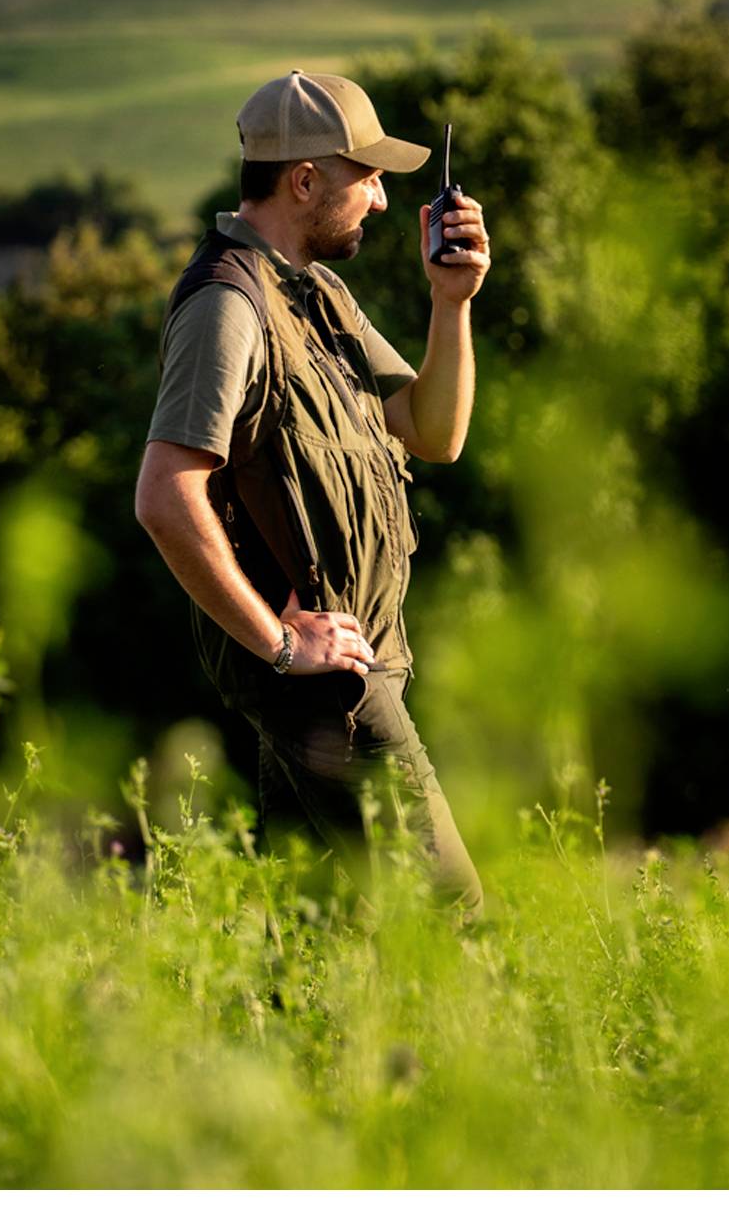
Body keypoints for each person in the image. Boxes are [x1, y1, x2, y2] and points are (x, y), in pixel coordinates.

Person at [134, 68, 490, 925]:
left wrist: (453, 302)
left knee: (324, 931)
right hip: (325, 684)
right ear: (303, 181)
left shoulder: (317, 294)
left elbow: (433, 432)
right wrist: (279, 645)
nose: (377, 201)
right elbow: (163, 494)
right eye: (364, 177)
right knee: (451, 915)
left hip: (350, 666)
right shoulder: (230, 304)